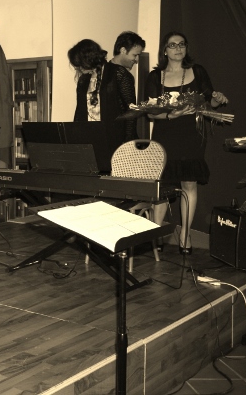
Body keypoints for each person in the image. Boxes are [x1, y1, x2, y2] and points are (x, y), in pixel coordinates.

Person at [145, 31, 228, 255]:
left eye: (182, 44)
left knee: (189, 184)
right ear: (164, 50)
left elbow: (209, 102)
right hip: (165, 134)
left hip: (192, 136)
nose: (178, 48)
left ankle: (185, 234)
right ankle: (155, 233)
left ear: (186, 48)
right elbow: (150, 113)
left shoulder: (197, 71)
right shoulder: (155, 76)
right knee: (162, 187)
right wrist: (172, 114)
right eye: (172, 45)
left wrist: (216, 100)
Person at [68, 38, 137, 151]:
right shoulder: (83, 80)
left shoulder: (119, 73)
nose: (77, 68)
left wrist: (128, 141)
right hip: (88, 139)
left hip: (114, 138)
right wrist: (74, 137)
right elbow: (79, 111)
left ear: (89, 59)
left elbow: (132, 110)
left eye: (79, 64)